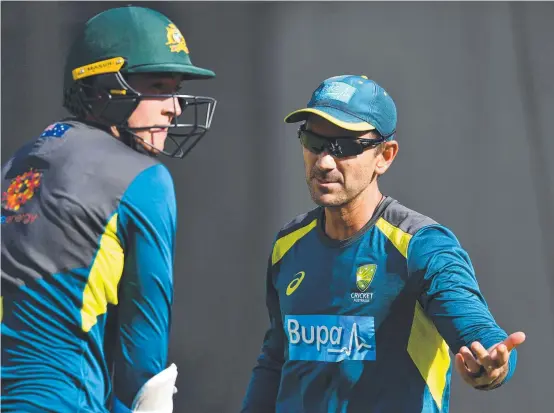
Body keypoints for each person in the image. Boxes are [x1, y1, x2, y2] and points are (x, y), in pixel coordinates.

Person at [241, 75, 525, 413]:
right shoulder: (287, 245)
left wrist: (492, 366)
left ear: (385, 156)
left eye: (345, 147)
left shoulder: (421, 246)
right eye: (313, 141)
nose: (324, 162)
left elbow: (480, 334)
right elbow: (277, 357)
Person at [1, 5, 216, 413]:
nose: (173, 107)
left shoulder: (16, 162)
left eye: (175, 88)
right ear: (102, 87)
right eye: (157, 85)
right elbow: (143, 367)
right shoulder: (144, 180)